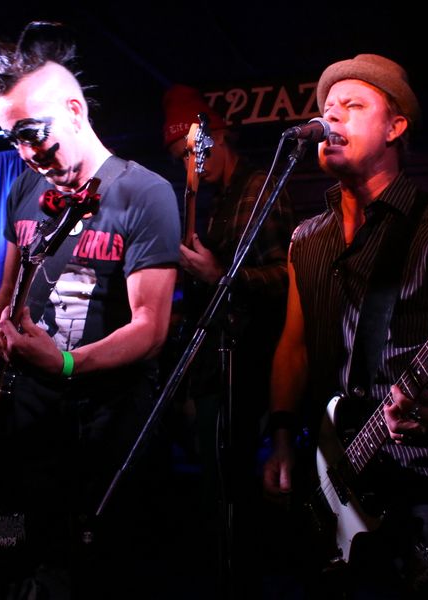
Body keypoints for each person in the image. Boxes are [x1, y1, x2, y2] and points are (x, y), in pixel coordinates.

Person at [0, 16, 181, 598]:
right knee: (5, 564)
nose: (26, 153)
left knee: (88, 573)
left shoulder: (144, 192)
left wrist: (66, 363)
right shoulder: (27, 189)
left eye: (33, 133)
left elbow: (151, 327)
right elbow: (7, 292)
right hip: (25, 423)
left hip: (103, 423)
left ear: (74, 111)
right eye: (12, 139)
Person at [261, 54, 428, 596]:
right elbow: (293, 349)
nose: (331, 117)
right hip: (334, 473)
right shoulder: (306, 240)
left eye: (353, 106)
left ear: (395, 127)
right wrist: (282, 438)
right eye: (327, 107)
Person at [162, 85, 294, 594]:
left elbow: (286, 277)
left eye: (192, 152)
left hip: (253, 363)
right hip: (214, 365)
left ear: (215, 136)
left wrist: (220, 276)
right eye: (180, 158)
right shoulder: (213, 202)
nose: (190, 165)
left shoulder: (259, 187)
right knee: (213, 485)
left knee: (237, 485)